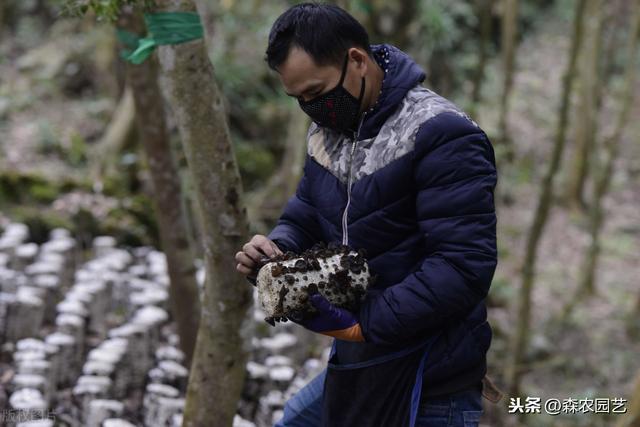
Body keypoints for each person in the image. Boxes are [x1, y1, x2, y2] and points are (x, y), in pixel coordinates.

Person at [235, 3, 499, 426]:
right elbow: (306, 211)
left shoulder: (442, 134)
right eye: (299, 98)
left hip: (429, 374)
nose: (311, 108)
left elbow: (463, 264)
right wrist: (276, 248)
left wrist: (365, 324)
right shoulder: (329, 131)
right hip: (362, 361)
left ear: (357, 60)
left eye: (317, 93)